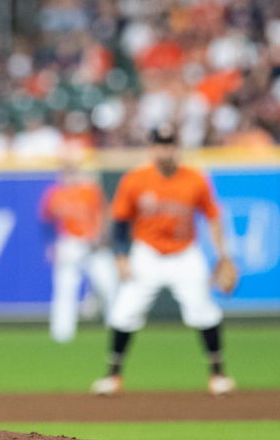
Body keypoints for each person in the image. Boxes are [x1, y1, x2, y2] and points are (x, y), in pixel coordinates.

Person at [91, 123, 237, 397]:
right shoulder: (135, 179)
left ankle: (218, 375)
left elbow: (213, 216)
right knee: (123, 312)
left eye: (170, 144)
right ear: (152, 147)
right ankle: (112, 376)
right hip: (146, 254)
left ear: (177, 148)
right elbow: (121, 221)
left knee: (204, 311)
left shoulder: (195, 178)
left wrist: (223, 254)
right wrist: (121, 256)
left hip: (185, 253)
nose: (165, 150)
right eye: (160, 144)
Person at [39, 149, 117, 343]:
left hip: (92, 244)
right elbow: (45, 221)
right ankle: (61, 334)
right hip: (68, 244)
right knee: (65, 288)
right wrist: (50, 245)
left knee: (108, 284)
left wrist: (102, 236)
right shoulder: (54, 193)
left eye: (72, 168)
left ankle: (117, 328)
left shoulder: (90, 189)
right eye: (66, 168)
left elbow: (105, 214)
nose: (69, 172)